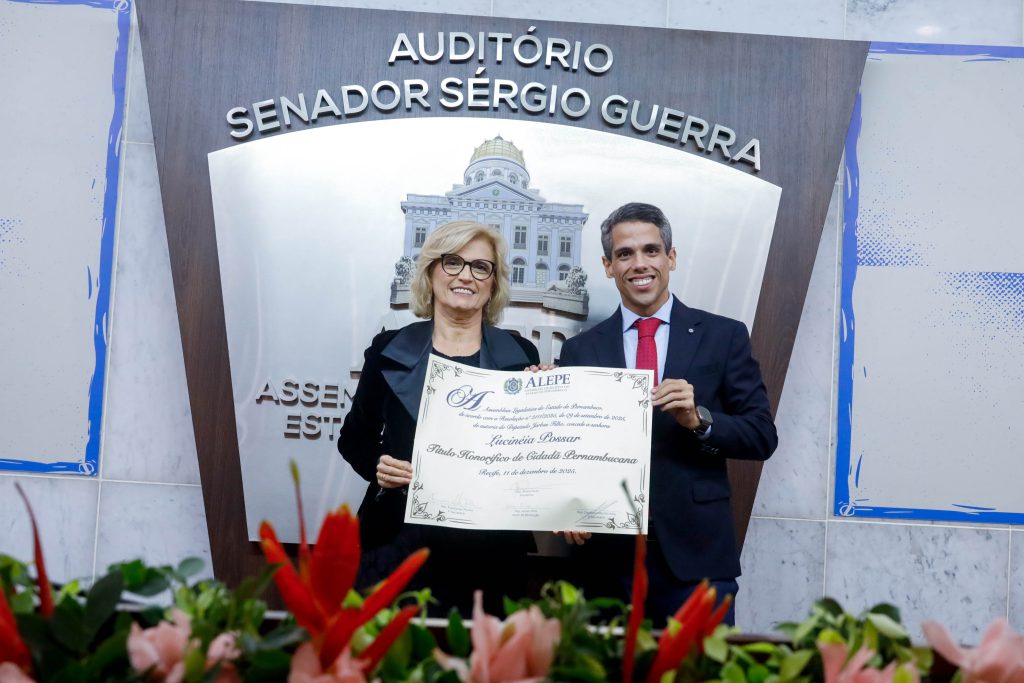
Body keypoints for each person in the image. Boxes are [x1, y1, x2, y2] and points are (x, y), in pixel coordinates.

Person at [558, 202, 778, 625]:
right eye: (625, 254)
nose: (639, 263)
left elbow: (761, 436)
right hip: (605, 562)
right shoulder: (580, 349)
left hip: (697, 559)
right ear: (608, 266)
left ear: (671, 257)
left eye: (651, 250)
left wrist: (700, 420)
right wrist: (564, 505)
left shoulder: (724, 336)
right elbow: (569, 449)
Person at [339, 220, 540, 616]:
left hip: (492, 549)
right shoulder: (388, 350)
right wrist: (379, 465)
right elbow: (353, 439)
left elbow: (533, 454)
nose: (466, 275)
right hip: (396, 542)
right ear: (431, 272)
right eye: (452, 262)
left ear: (493, 283)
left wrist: (549, 398)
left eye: (480, 267)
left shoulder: (523, 357)